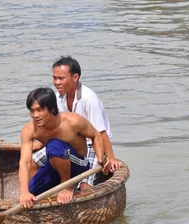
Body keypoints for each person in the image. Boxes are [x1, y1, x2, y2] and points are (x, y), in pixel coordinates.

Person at [31, 56, 123, 189]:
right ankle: (32, 192)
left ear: (75, 77)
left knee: (85, 186)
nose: (56, 82)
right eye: (54, 78)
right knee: (33, 161)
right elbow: (54, 125)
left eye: (61, 78)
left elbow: (100, 132)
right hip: (68, 141)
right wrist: (39, 142)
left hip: (91, 144)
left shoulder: (89, 99)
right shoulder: (57, 97)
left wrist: (111, 158)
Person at [19, 87, 111, 208]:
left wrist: (100, 157)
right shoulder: (29, 129)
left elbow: (96, 135)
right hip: (56, 163)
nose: (35, 115)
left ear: (52, 109)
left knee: (53, 145)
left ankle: (67, 186)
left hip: (79, 165)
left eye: (40, 110)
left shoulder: (73, 121)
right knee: (32, 193)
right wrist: (24, 192)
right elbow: (25, 163)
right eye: (32, 111)